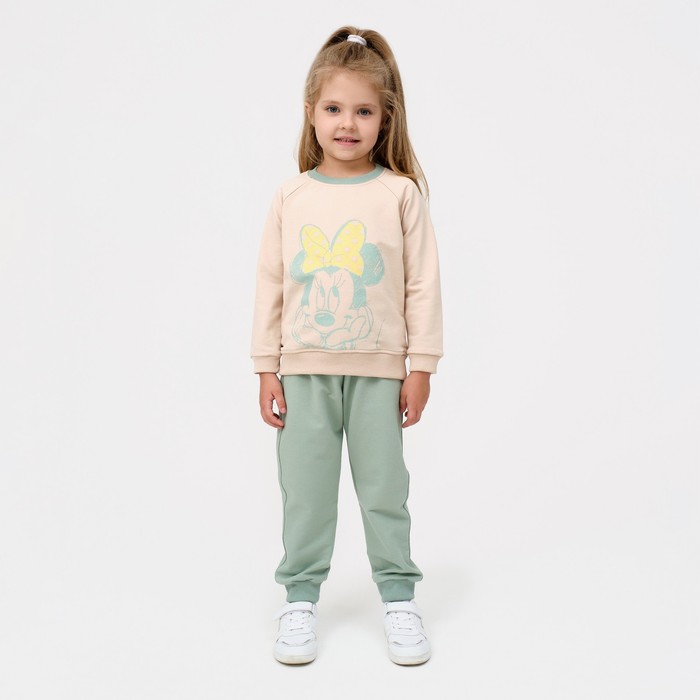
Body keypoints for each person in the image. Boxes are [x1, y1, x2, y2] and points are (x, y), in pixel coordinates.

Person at [250, 25, 443, 666]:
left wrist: (421, 366)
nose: (347, 124)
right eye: (334, 108)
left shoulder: (399, 194)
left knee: (384, 489)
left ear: (385, 118)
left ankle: (399, 597)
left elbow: (422, 284)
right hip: (303, 372)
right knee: (305, 491)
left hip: (379, 373)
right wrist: (266, 367)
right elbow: (272, 283)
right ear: (311, 112)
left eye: (363, 111)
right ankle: (299, 599)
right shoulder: (291, 195)